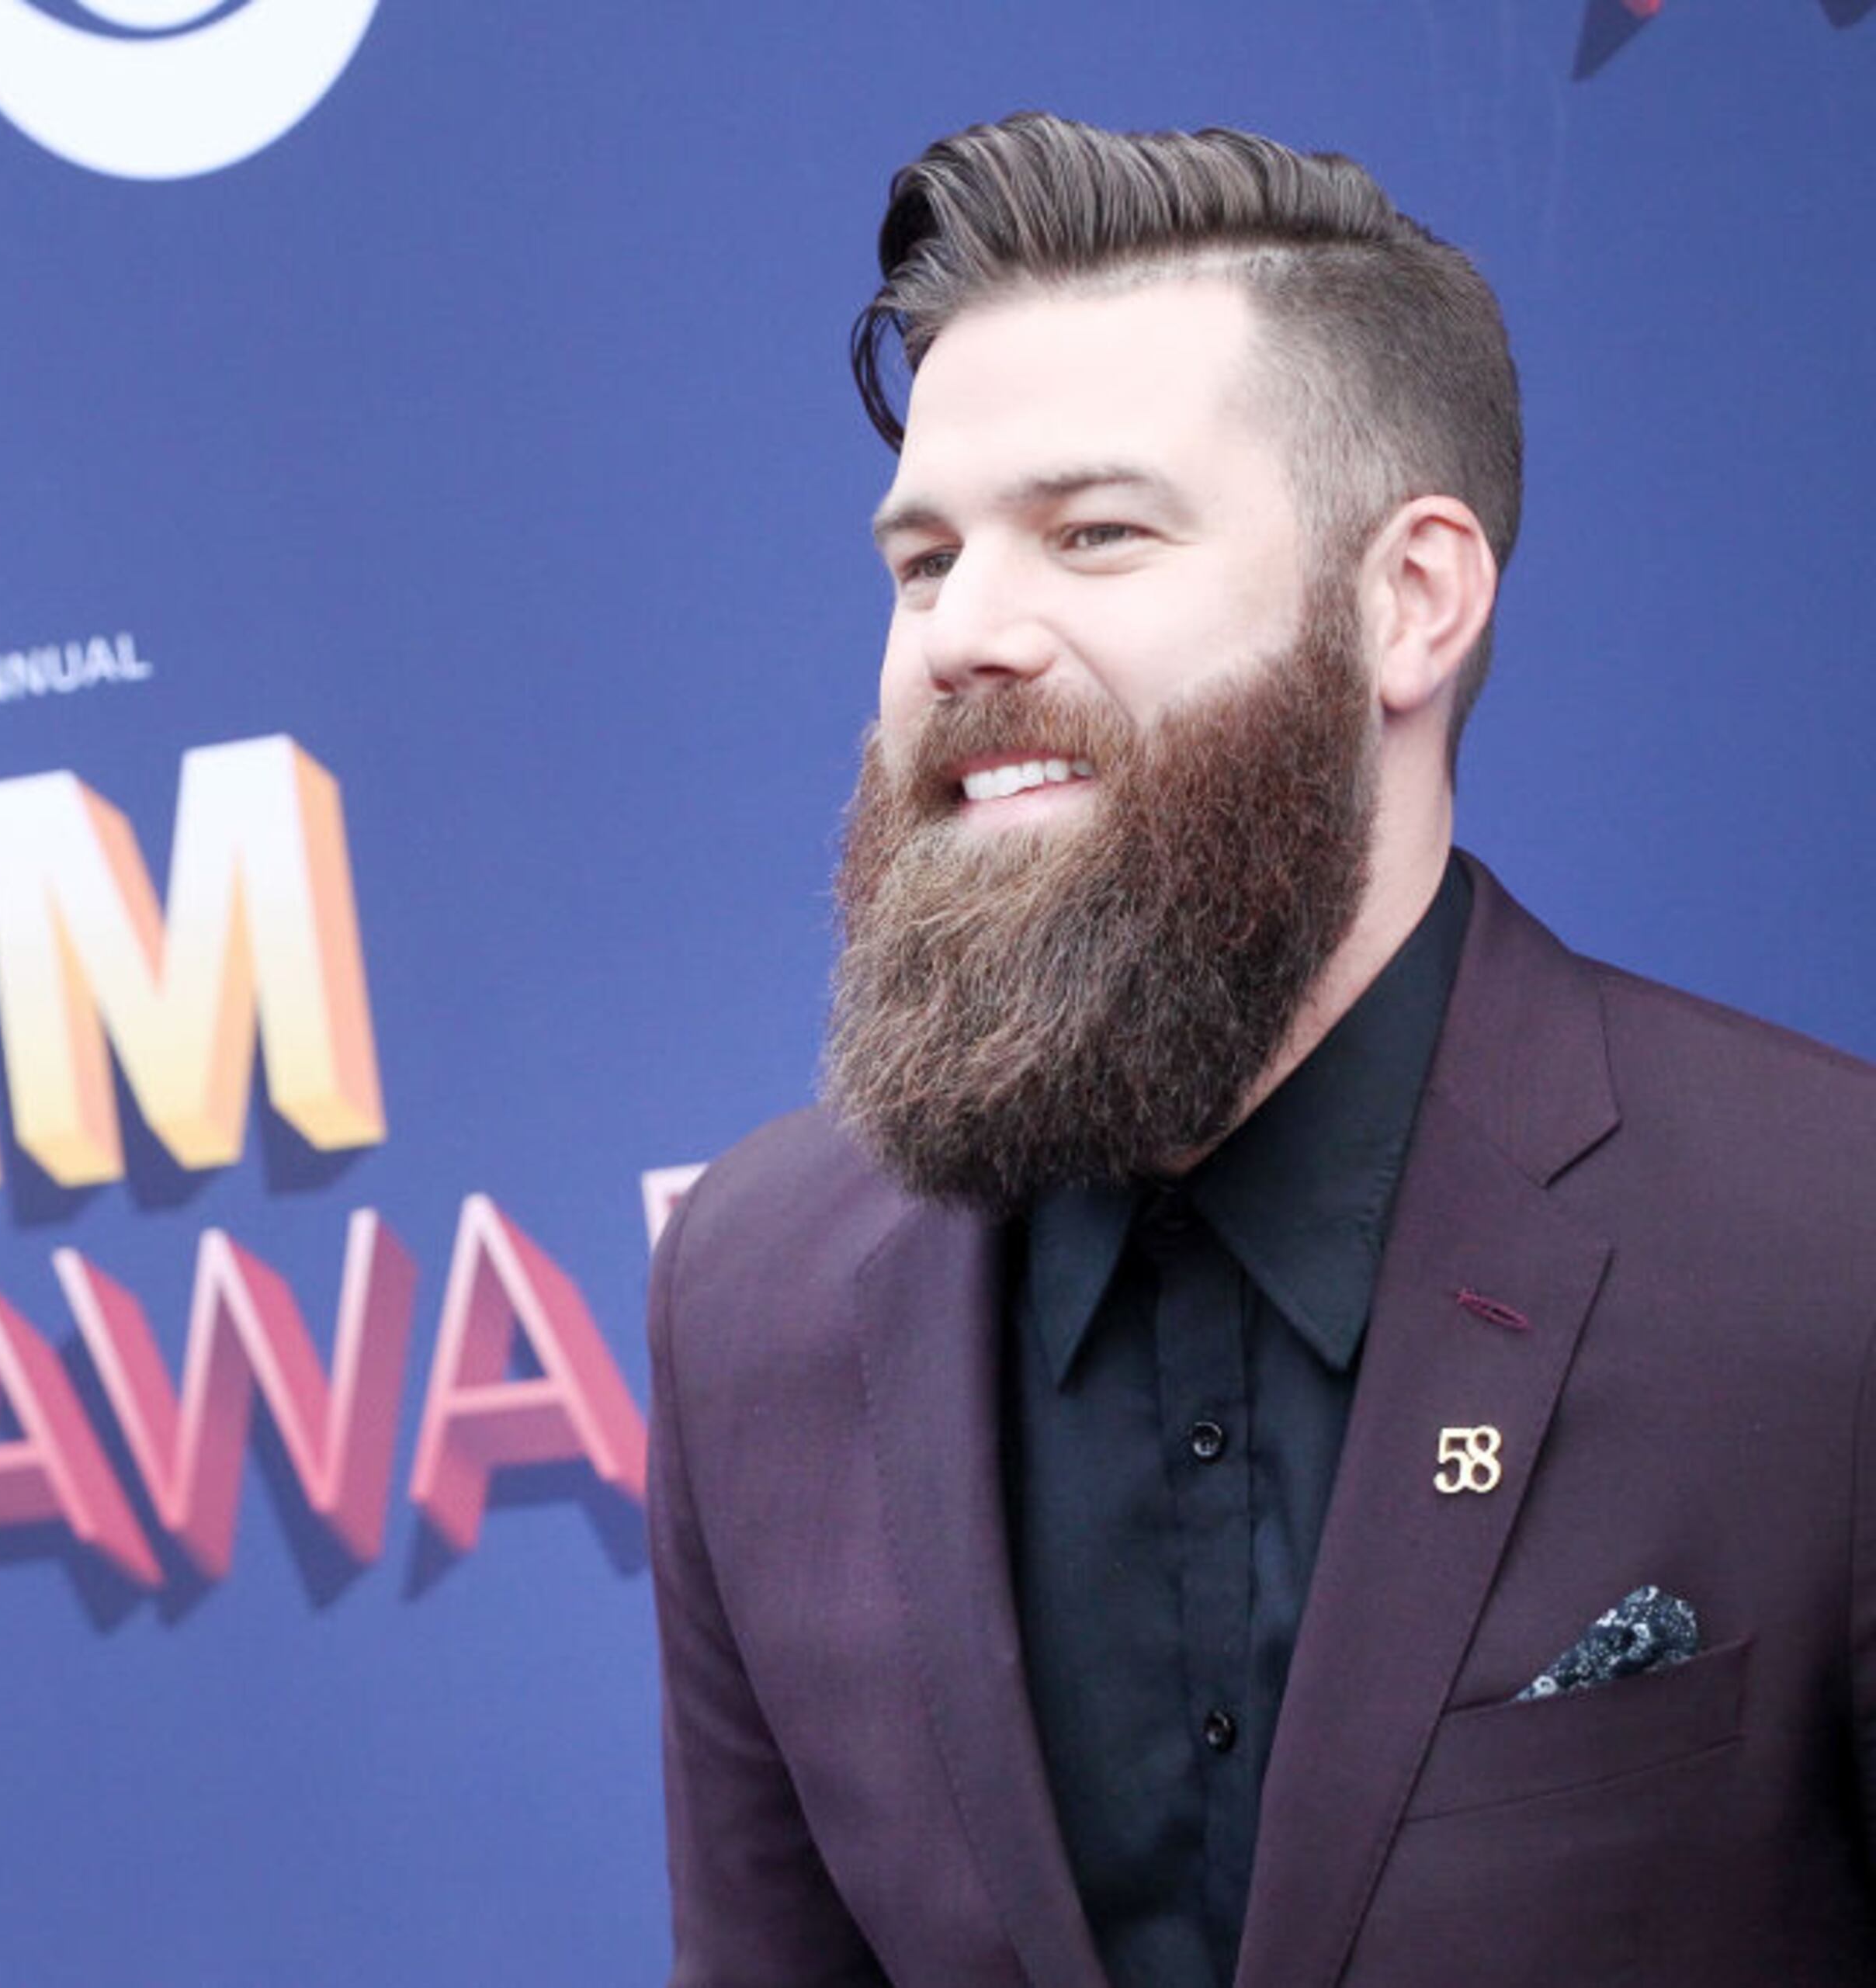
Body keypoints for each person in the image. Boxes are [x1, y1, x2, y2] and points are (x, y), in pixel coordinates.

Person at [645, 111, 1876, 1986]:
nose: (964, 633)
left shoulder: (1827, 1247)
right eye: (921, 560)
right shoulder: (754, 1298)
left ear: (1410, 601)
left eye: (1097, 533)